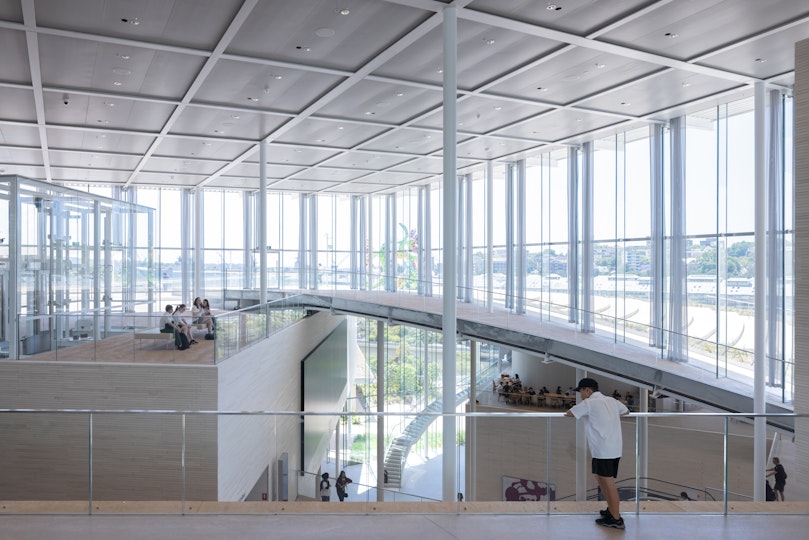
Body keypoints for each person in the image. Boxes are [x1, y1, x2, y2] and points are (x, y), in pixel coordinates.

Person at [566, 377, 630, 530]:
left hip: (603, 450)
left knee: (608, 484)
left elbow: (570, 413)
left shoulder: (589, 403)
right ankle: (611, 510)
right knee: (600, 479)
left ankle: (616, 519)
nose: (580, 395)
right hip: (613, 448)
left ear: (588, 390)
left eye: (581, 391)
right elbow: (626, 411)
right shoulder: (611, 401)